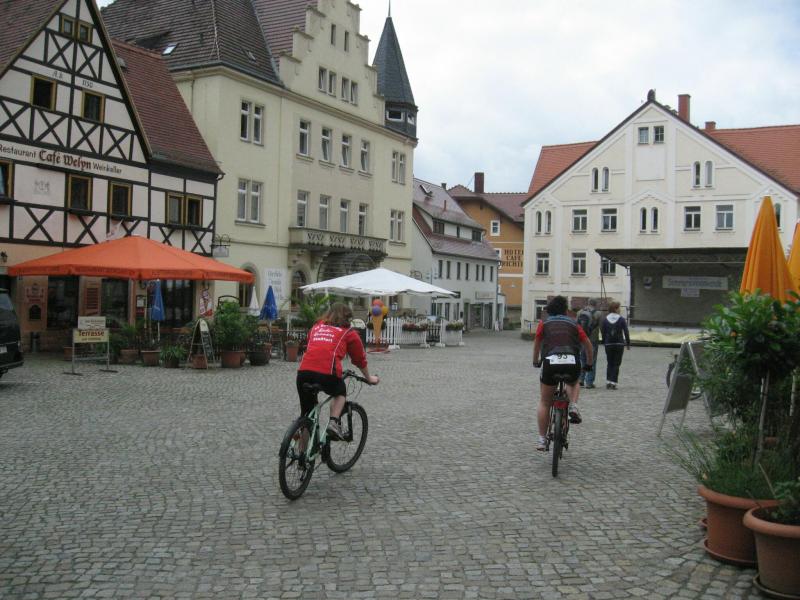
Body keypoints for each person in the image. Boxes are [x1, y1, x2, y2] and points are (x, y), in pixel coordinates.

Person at [296, 303, 379, 439]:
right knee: (340, 391)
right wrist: (369, 378)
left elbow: (314, 346)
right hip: (327, 373)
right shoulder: (349, 333)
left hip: (303, 372)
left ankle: (301, 449)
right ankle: (333, 422)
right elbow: (360, 360)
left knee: (306, 416)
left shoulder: (316, 327)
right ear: (347, 318)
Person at [532, 295, 594, 451]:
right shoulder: (574, 324)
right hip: (571, 361)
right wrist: (589, 363)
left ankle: (542, 440)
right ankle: (573, 405)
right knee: (573, 382)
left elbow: (537, 343)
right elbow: (588, 344)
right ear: (566, 310)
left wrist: (535, 361)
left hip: (550, 362)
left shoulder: (544, 323)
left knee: (545, 402)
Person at [601, 301, 630, 389]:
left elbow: (603, 331)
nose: (620, 309)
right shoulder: (621, 319)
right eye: (619, 308)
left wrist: (604, 341)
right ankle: (613, 382)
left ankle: (608, 381)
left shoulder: (605, 319)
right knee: (616, 364)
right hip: (619, 344)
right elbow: (626, 331)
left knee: (609, 363)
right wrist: (628, 343)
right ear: (615, 309)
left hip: (608, 344)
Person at [576, 298, 603, 388]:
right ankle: (589, 382)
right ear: (596, 304)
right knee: (592, 359)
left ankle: (580, 379)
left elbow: (576, 325)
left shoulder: (580, 312)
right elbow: (601, 326)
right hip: (593, 339)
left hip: (581, 339)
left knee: (581, 359)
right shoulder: (598, 313)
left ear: (588, 303)